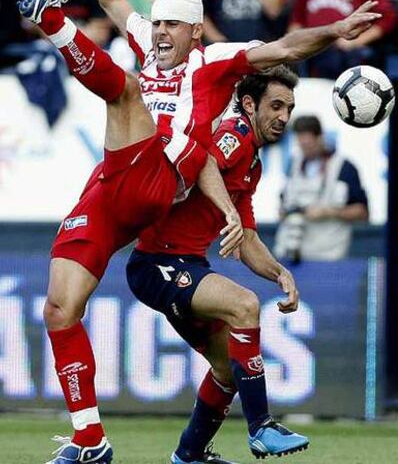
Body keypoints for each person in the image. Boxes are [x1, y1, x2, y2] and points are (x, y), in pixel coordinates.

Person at [20, 0, 380, 460]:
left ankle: (51, 20)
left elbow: (282, 49)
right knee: (58, 309)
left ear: (194, 28)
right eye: (156, 23)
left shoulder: (215, 61)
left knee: (127, 96)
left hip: (160, 180)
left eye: (171, 25)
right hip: (116, 187)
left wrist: (334, 30)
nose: (159, 32)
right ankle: (90, 440)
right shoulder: (145, 43)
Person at [127, 66, 310, 463]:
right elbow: (203, 157)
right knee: (244, 305)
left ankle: (189, 454)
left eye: (289, 109)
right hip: (158, 262)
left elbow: (246, 237)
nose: (283, 116)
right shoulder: (236, 136)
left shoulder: (253, 164)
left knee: (228, 369)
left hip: (182, 265)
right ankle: (261, 427)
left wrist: (280, 273)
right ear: (248, 104)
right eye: (275, 106)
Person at [274, 115, 369, 262]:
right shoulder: (294, 164)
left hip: (327, 257)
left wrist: (328, 212)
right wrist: (285, 212)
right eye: (301, 144)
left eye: (309, 144)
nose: (305, 149)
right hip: (288, 253)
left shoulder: (344, 168)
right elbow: (283, 202)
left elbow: (362, 212)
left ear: (320, 138)